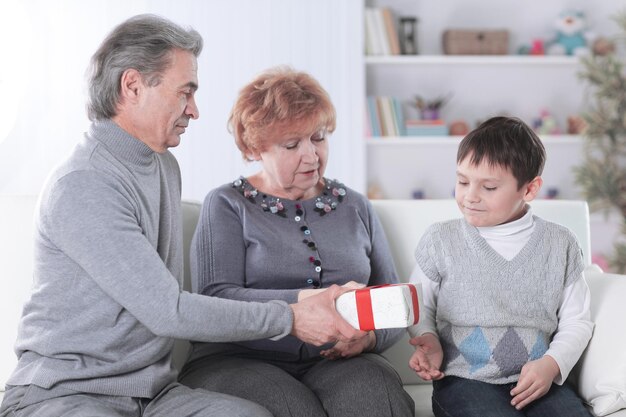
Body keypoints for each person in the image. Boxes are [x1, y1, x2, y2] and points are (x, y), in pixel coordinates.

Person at [0, 15, 365, 417]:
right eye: (185, 92)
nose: (194, 110)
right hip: (66, 394)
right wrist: (290, 317)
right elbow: (167, 309)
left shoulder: (162, 165)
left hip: (152, 395)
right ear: (133, 86)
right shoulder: (84, 183)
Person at [178, 67, 415, 417]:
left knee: (376, 394)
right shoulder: (227, 204)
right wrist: (308, 302)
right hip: (236, 360)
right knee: (291, 408)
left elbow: (391, 298)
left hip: (336, 360)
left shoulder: (355, 205)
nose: (311, 155)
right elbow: (216, 297)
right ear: (255, 147)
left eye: (318, 138)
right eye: (292, 144)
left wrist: (370, 338)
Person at [407, 116, 594, 417]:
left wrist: (552, 364)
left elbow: (577, 321)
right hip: (465, 382)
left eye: (489, 187)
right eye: (463, 181)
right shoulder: (442, 239)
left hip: (539, 381)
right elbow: (416, 304)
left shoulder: (561, 244)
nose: (469, 196)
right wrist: (428, 340)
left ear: (529, 190)